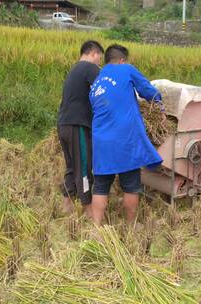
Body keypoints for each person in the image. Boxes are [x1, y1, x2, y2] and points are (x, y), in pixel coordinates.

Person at [89, 44, 165, 226]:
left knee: (100, 186)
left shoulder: (97, 81)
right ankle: (131, 226)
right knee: (131, 184)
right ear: (122, 60)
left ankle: (96, 229)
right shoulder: (126, 69)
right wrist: (160, 104)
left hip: (100, 139)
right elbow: (148, 91)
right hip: (124, 138)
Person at [57, 40, 104, 218]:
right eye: (99, 57)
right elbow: (104, 90)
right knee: (84, 166)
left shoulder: (74, 69)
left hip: (63, 124)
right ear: (94, 54)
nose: (99, 62)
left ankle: (66, 205)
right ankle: (89, 210)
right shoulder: (89, 68)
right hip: (78, 125)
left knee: (72, 166)